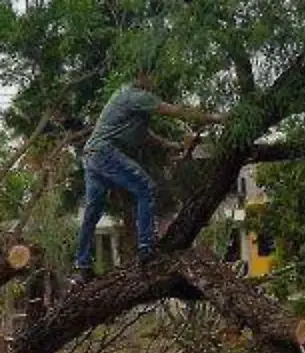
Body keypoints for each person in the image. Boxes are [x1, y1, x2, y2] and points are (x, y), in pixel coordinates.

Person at [71, 70, 227, 283]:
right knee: (145, 188)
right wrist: (217, 118)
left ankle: (82, 267)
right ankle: (146, 249)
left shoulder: (128, 102)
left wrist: (177, 146)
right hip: (104, 152)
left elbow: (147, 137)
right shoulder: (137, 95)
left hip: (91, 155)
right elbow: (176, 111)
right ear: (142, 75)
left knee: (93, 211)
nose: (155, 81)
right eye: (152, 75)